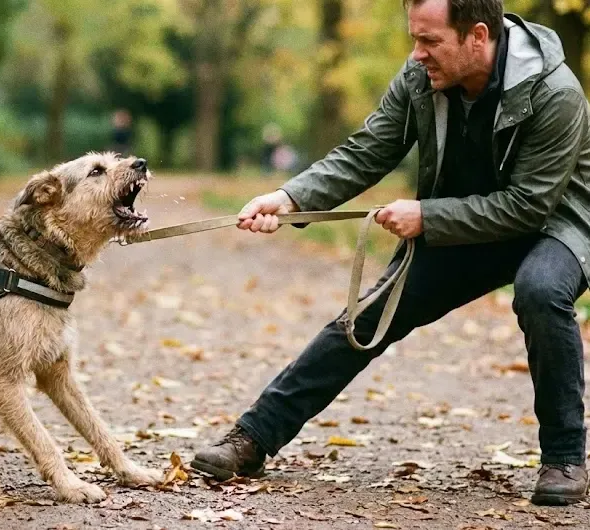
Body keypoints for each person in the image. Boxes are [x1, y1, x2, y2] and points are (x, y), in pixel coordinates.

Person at [192, 0, 590, 506]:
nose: (416, 54)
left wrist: (428, 217)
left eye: (430, 41)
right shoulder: (422, 74)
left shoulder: (555, 92)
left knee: (540, 290)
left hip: (556, 220)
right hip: (463, 225)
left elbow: (529, 206)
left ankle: (564, 458)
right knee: (365, 317)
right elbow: (367, 151)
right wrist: (290, 198)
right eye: (414, 38)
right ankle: (252, 438)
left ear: (477, 35)